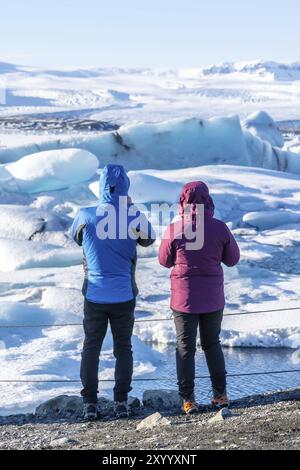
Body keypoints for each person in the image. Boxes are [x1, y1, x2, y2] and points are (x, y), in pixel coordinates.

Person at [71, 164, 155, 420]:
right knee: (123, 348)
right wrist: (128, 207)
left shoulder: (85, 215)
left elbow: (76, 238)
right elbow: (148, 239)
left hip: (94, 295)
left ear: (100, 186)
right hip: (123, 296)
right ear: (126, 187)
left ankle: (90, 404)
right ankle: (121, 402)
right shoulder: (133, 216)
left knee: (91, 348)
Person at [158, 181, 240, 415]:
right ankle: (220, 395)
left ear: (182, 202)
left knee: (185, 347)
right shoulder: (219, 228)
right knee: (212, 344)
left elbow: (164, 260)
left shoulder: (175, 229)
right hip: (212, 298)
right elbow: (232, 259)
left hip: (184, 299)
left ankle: (188, 401)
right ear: (208, 201)